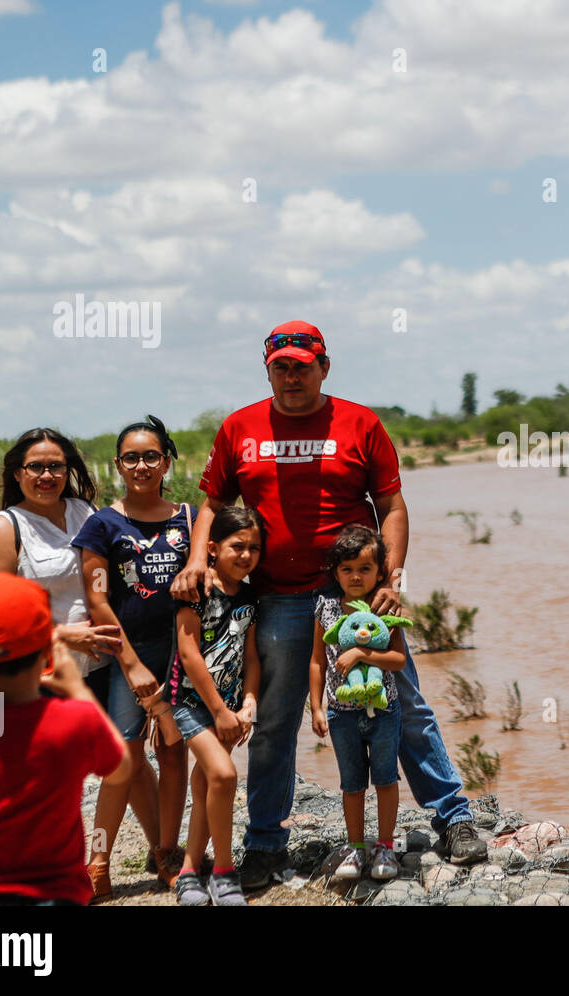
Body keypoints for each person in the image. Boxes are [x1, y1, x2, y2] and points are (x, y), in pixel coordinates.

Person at [171, 319, 485, 891]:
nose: (292, 376)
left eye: (302, 365)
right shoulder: (238, 427)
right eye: (281, 367)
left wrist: (392, 575)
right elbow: (213, 502)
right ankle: (265, 842)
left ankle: (453, 817)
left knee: (403, 703)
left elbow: (391, 504)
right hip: (278, 599)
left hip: (355, 597)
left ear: (324, 366)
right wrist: (198, 559)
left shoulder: (360, 423)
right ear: (268, 369)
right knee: (275, 721)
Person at [0, 573, 130, 906]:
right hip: (53, 895)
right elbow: (121, 768)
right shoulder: (74, 722)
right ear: (47, 648)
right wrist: (79, 691)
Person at [72, 415, 193, 897]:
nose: (141, 465)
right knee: (123, 756)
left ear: (166, 460)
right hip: (129, 652)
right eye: (131, 457)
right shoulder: (103, 524)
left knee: (173, 750)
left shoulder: (188, 516)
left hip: (184, 651)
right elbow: (98, 599)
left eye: (151, 456)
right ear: (118, 464)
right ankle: (97, 863)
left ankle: (167, 853)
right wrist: (131, 663)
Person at [165, 506, 263, 907]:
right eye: (237, 546)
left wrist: (249, 703)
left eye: (255, 548)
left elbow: (252, 657)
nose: (246, 555)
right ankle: (224, 871)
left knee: (207, 782)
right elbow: (189, 656)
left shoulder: (251, 596)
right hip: (193, 704)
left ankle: (189, 871)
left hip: (232, 707)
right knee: (223, 777)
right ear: (212, 547)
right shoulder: (197, 591)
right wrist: (221, 712)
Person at [0, 427, 122, 666]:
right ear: (17, 473)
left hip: (104, 666)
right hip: (42, 675)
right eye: (35, 467)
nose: (47, 476)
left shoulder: (86, 512)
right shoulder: (4, 528)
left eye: (55, 466)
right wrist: (62, 636)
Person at [310, 526, 407, 881]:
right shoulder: (325, 608)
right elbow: (317, 661)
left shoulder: (385, 609)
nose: (355, 576)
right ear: (335, 571)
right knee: (351, 783)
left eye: (365, 569)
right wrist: (317, 707)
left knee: (385, 778)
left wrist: (361, 653)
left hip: (384, 711)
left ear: (380, 572)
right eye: (347, 568)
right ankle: (355, 847)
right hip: (340, 713)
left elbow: (398, 660)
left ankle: (385, 846)